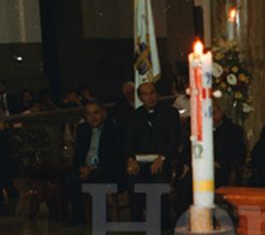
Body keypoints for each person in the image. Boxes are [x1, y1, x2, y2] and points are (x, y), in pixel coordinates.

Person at [124, 82, 180, 222]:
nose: (150, 97)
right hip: (141, 160)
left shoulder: (170, 113)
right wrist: (130, 160)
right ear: (140, 98)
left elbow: (175, 140)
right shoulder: (134, 116)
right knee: (133, 176)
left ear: (157, 94)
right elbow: (128, 142)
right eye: (145, 94)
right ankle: (137, 218)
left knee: (159, 174)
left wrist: (162, 157)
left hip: (163, 158)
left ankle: (163, 218)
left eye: (152, 93)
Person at [66, 100, 124, 224]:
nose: (93, 117)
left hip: (106, 170)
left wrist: (92, 168)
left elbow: (114, 157)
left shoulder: (113, 129)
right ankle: (78, 217)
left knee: (97, 177)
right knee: (71, 179)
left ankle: (101, 217)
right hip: (86, 168)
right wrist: (81, 168)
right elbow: (78, 155)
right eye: (88, 114)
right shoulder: (83, 130)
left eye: (96, 113)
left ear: (103, 113)